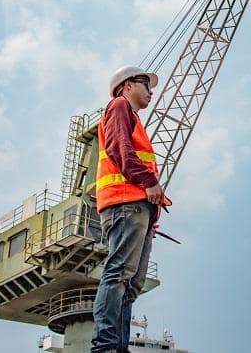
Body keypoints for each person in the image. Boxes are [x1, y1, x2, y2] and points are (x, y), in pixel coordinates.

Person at [91, 65, 168, 353]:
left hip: (140, 207)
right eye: (145, 85)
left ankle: (117, 346)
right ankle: (106, 346)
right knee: (119, 274)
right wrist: (148, 181)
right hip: (125, 202)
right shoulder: (119, 106)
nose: (150, 91)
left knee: (132, 284)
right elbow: (118, 147)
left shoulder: (133, 117)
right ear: (126, 86)